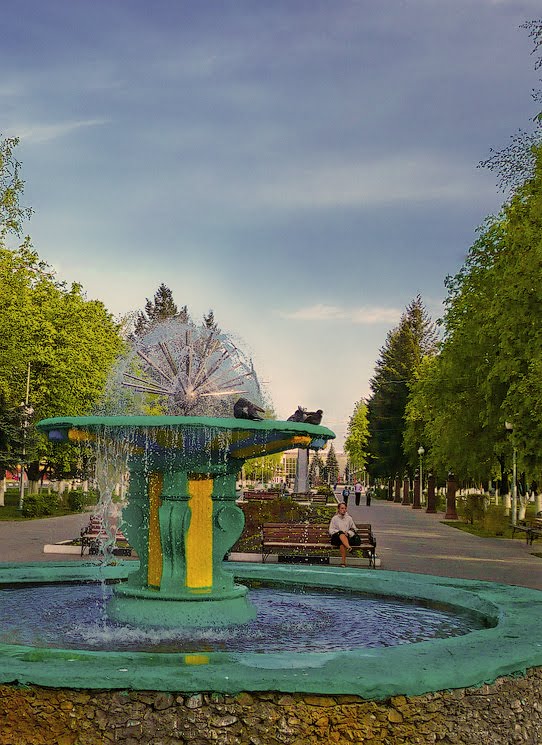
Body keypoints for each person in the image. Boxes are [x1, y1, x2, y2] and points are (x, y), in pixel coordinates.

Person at [329, 502, 361, 567]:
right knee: (341, 533)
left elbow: (354, 529)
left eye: (345, 508)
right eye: (342, 508)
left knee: (342, 543)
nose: (344, 510)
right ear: (338, 509)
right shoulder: (334, 518)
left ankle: (343, 563)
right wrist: (340, 532)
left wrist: (348, 532)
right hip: (336, 538)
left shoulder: (349, 518)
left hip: (345, 538)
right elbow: (331, 530)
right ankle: (349, 547)